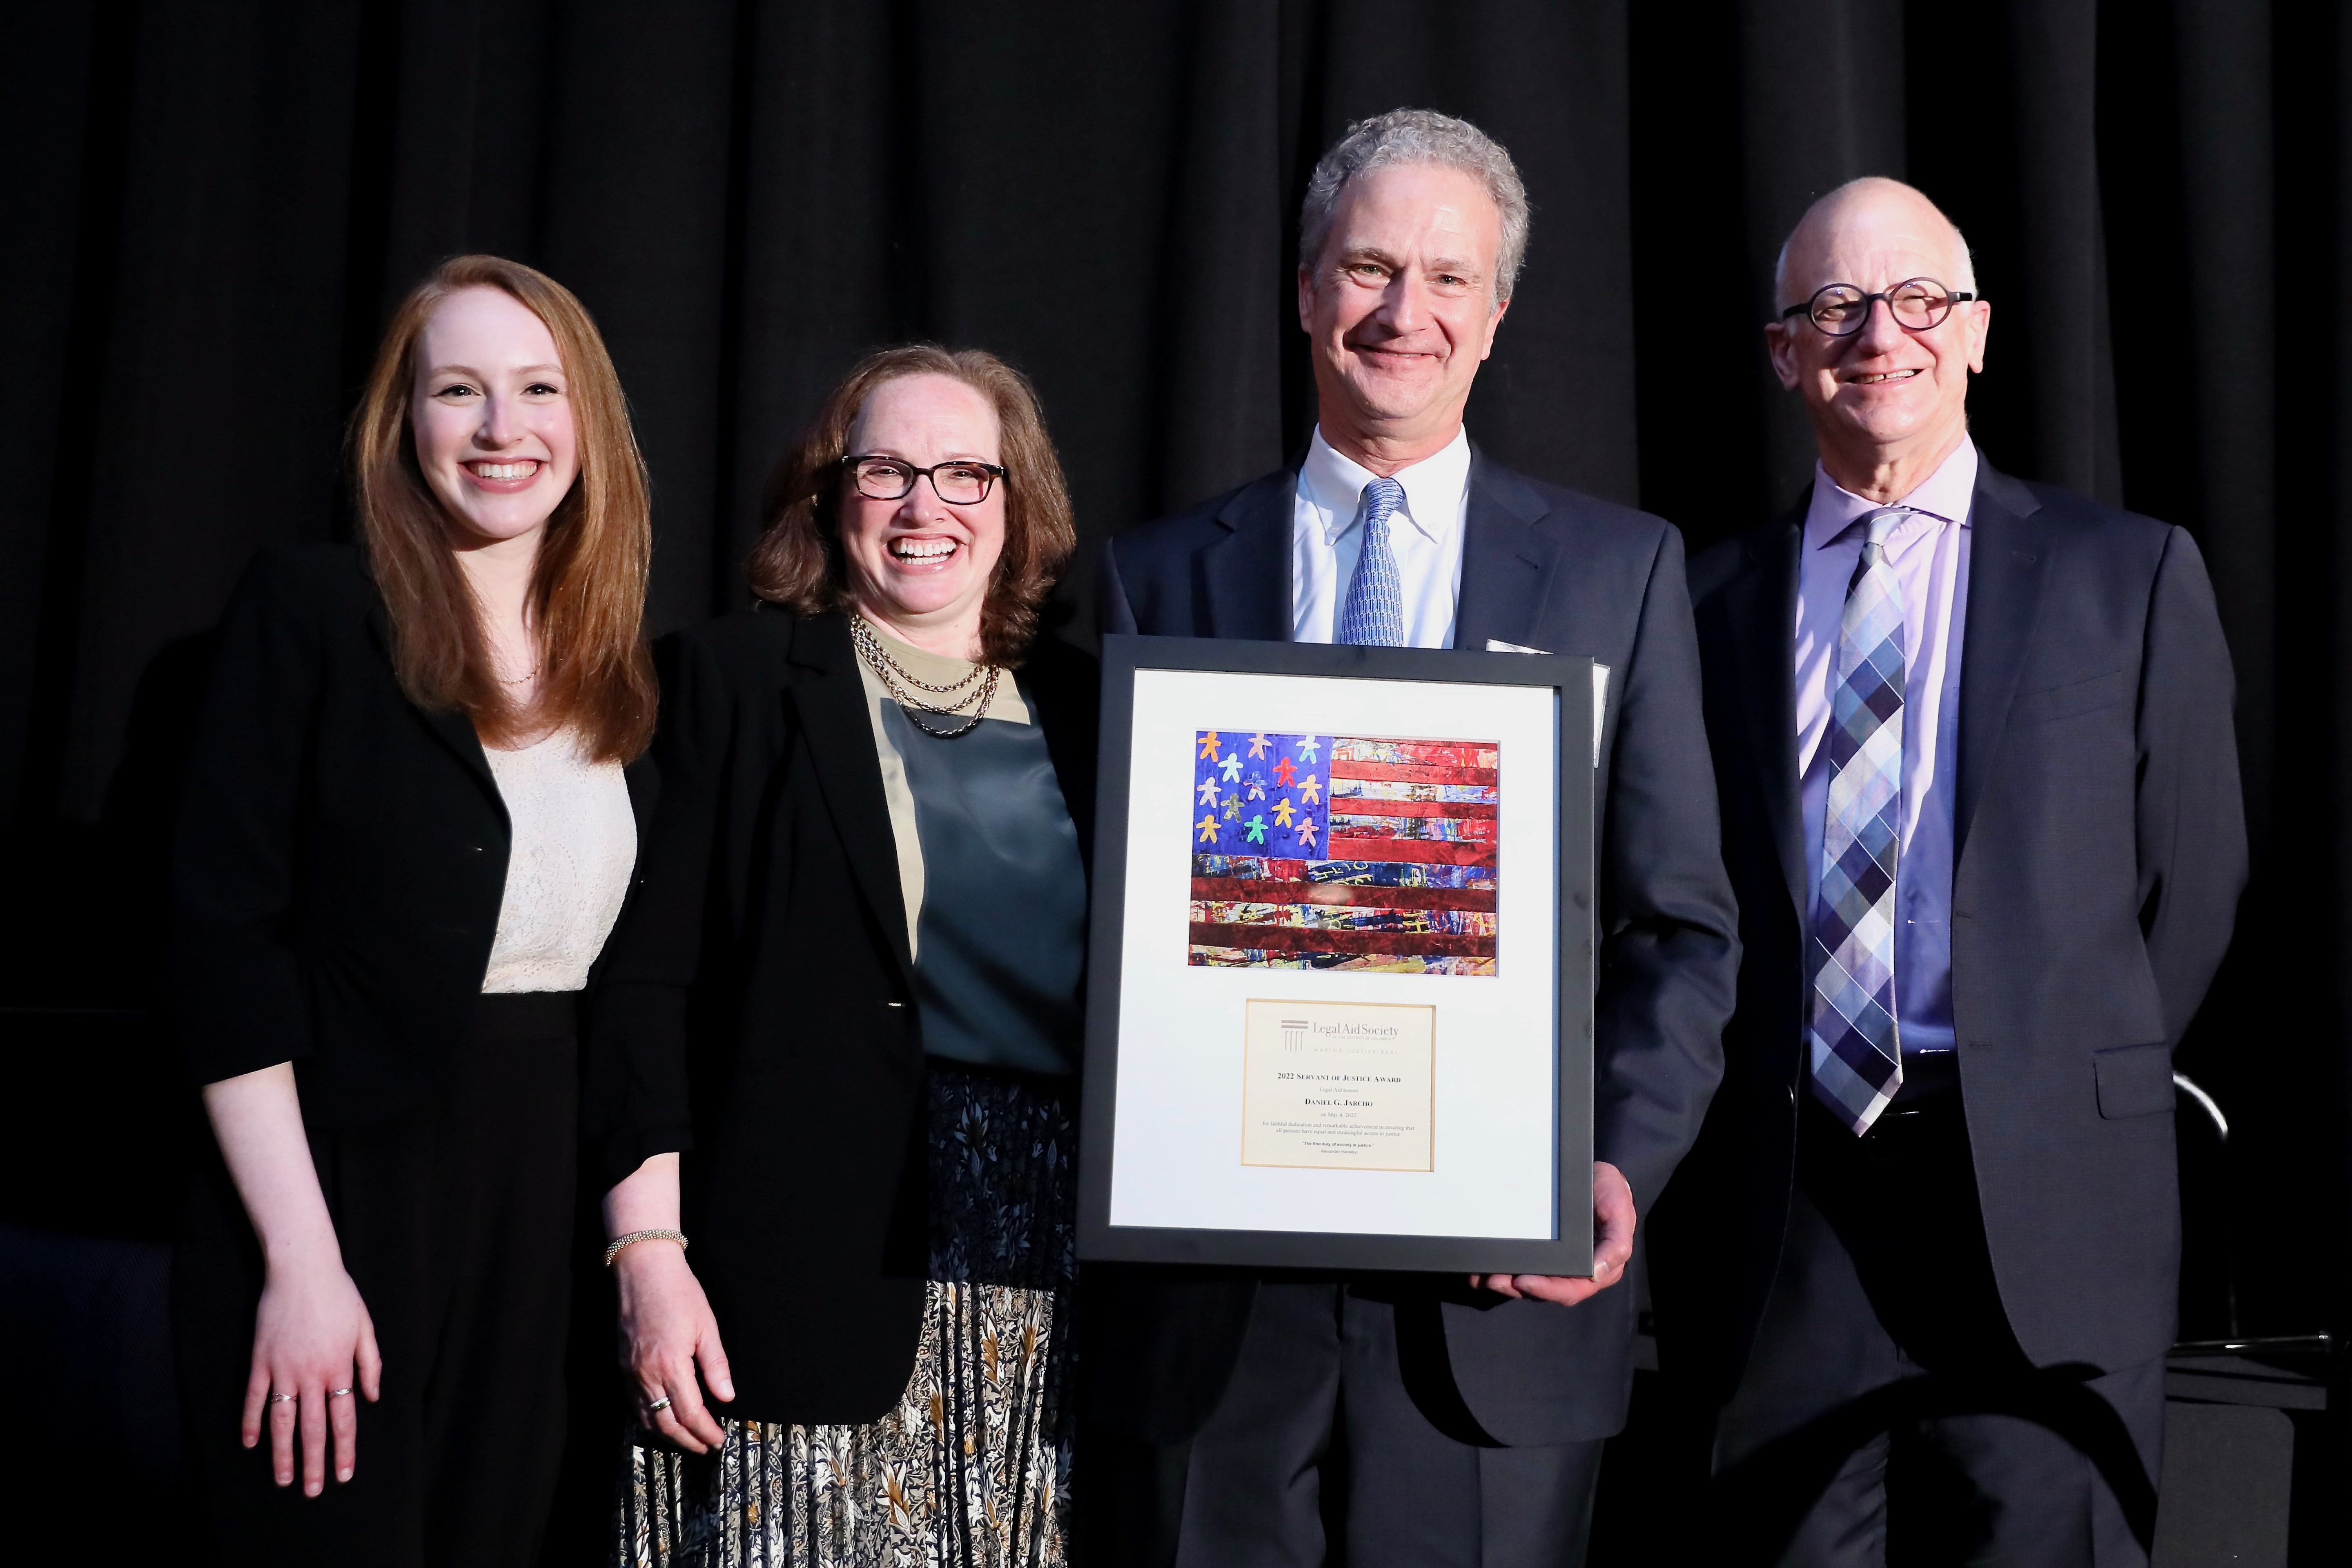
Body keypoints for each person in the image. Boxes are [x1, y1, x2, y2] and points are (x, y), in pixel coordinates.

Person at [1088, 108, 1741, 1568]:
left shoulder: (1616, 574)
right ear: (1308, 291)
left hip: (1493, 1306)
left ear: (1499, 314)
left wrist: (1615, 1160)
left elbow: (1680, 929)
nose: (1405, 312)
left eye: (1449, 278)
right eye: (1370, 268)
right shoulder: (1156, 579)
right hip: (1217, 1307)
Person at [1659, 177, 2247, 1566]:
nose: (1882, 333)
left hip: (2041, 1204)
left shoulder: (2129, 576)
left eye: (1919, 299)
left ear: (1975, 331)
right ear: (1784, 349)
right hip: (1787, 1203)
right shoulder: (1696, 600)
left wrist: (2050, 1059)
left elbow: (2194, 884)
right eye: (1836, 306)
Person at [171, 254, 659, 1566]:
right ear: (407, 424)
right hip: (341, 1193)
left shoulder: (630, 671)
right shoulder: (315, 612)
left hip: (546, 1219)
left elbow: (642, 998)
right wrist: (302, 1262)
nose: (504, 430)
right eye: (460, 390)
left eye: (538, 388)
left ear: (588, 421)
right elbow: (223, 951)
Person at [590, 345, 1098, 1566]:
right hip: (801, 1270)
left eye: (967, 473)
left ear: (1016, 502)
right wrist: (646, 1256)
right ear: (830, 497)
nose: (926, 506)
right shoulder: (732, 682)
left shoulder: (1096, 709)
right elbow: (646, 987)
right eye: (886, 471)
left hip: (1051, 1294)